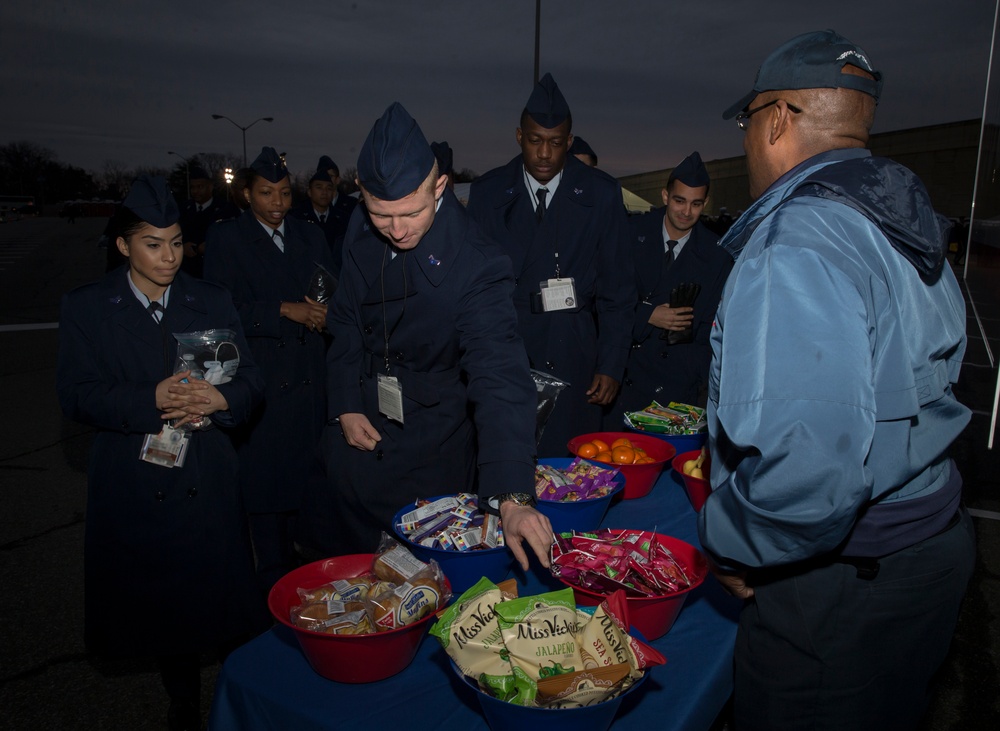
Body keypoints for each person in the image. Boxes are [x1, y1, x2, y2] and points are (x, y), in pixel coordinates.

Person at [697, 30, 976, 730]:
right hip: (929, 551)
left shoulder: (797, 242)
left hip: (845, 588)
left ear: (778, 121)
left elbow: (810, 474)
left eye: (747, 122)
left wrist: (729, 537)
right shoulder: (900, 219)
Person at [56, 175, 267, 731]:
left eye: (176, 242)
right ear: (124, 245)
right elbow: (76, 394)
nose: (169, 256)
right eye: (154, 243)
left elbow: (251, 381)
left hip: (207, 472)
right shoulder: (88, 307)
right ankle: (182, 698)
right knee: (166, 605)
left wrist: (223, 397)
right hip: (137, 473)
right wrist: (147, 398)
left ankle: (246, 695)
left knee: (224, 600)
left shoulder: (210, 298)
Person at [322, 102, 552, 570]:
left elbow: (499, 374)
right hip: (359, 430)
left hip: (429, 450)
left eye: (412, 212)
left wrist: (511, 494)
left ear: (440, 185)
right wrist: (344, 401)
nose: (398, 230)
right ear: (361, 192)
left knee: (424, 588)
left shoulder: (477, 263)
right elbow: (344, 318)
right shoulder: (358, 227)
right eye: (381, 215)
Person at [467, 73, 635, 457]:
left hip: (574, 356)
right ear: (518, 137)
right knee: (509, 470)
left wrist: (611, 364)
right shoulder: (488, 193)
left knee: (572, 475)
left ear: (569, 142)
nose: (545, 154)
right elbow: (473, 292)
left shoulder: (600, 193)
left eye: (556, 143)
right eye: (535, 141)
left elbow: (618, 290)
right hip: (507, 355)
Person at [203, 147, 336, 592]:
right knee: (266, 501)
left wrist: (325, 310)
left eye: (283, 192)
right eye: (266, 193)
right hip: (263, 384)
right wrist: (283, 310)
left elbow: (329, 285)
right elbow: (221, 311)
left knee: (312, 502)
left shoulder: (309, 234)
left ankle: (314, 593)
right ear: (246, 194)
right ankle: (270, 598)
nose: (277, 203)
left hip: (309, 377)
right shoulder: (227, 239)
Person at [605, 151, 732, 427]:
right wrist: (647, 315)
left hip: (675, 390)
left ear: (706, 203)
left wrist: (697, 385)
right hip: (624, 378)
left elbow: (711, 330)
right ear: (665, 196)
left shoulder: (717, 255)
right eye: (679, 201)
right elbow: (604, 298)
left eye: (696, 204)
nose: (686, 212)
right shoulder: (629, 233)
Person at [289, 155, 357, 277]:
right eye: (319, 187)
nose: (324, 192)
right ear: (309, 192)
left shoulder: (344, 219)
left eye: (329, 188)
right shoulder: (296, 218)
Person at [178, 164, 237, 278]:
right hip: (188, 271)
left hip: (215, 269)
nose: (195, 191)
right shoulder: (183, 209)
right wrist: (181, 246)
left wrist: (210, 246)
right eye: (193, 187)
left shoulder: (225, 209)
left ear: (210, 186)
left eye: (200, 187)